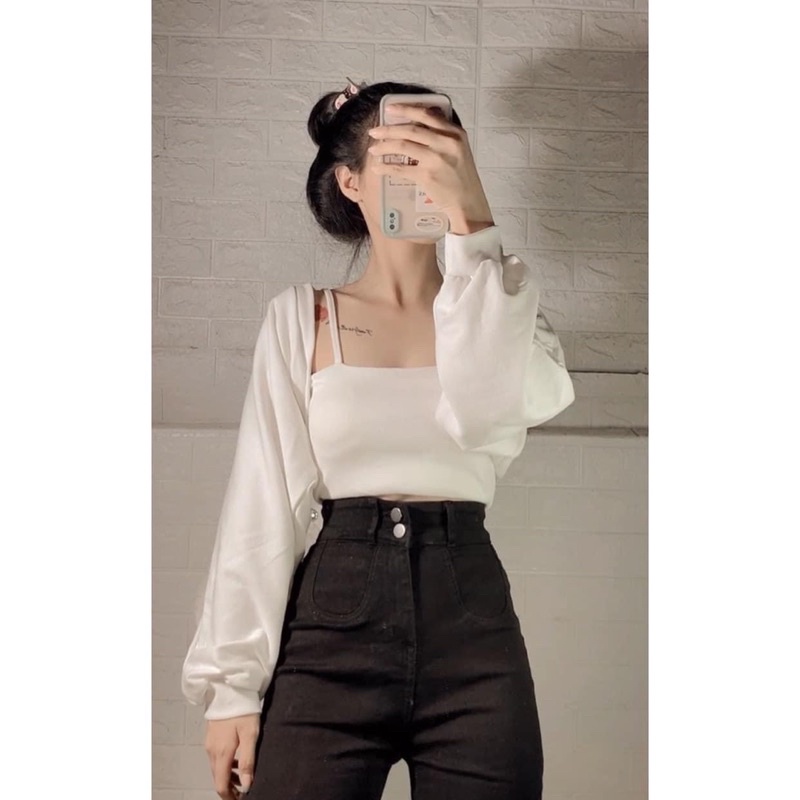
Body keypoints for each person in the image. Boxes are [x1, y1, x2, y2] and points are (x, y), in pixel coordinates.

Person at [180, 79, 576, 800]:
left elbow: (487, 412)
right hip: (333, 619)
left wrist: (475, 228)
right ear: (352, 182)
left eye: (439, 159)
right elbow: (262, 504)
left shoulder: (503, 307)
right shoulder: (303, 318)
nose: (421, 178)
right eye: (400, 160)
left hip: (471, 625)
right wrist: (231, 689)